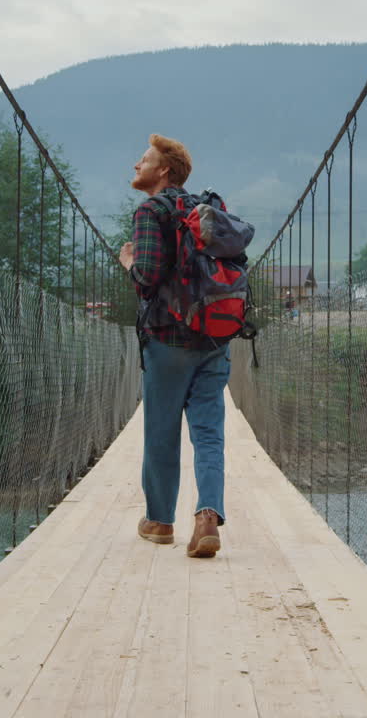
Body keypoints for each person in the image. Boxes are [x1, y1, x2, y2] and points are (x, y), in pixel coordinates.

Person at [118, 134, 229, 558]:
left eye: (143, 159)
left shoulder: (151, 210)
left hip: (167, 339)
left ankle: (160, 522)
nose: (136, 165)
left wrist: (128, 262)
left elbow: (147, 278)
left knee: (161, 432)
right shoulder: (208, 209)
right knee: (208, 433)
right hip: (215, 337)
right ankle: (207, 517)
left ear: (163, 170)